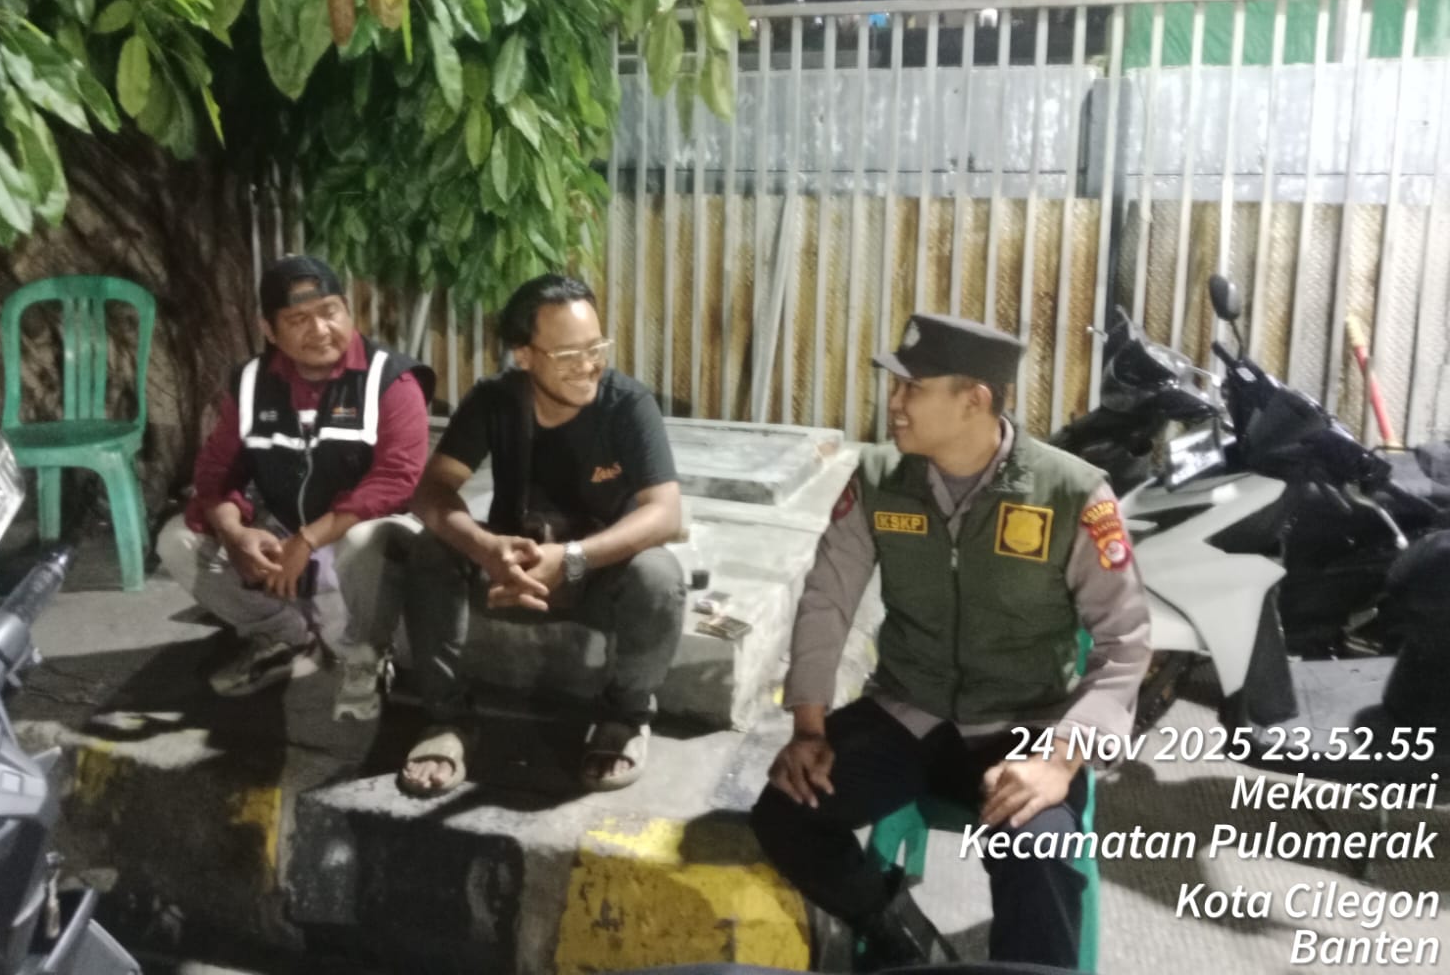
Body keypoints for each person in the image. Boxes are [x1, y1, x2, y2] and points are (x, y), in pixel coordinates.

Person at [751, 313, 1151, 971]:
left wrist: (1059, 761)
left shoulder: (1071, 493)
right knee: (784, 810)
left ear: (975, 400)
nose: (895, 403)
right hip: (906, 712)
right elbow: (826, 602)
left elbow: (1126, 642)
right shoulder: (878, 478)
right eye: (896, 386)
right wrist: (808, 728)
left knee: (1041, 854)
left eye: (913, 388)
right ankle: (899, 938)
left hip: (1024, 725)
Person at [397, 274, 685, 797]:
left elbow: (664, 513)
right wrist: (485, 548)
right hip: (513, 572)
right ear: (524, 356)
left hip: (596, 573)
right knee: (432, 546)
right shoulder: (494, 401)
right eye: (569, 354)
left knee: (659, 574)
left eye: (596, 348)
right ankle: (447, 718)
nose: (588, 366)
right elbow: (431, 491)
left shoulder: (626, 404)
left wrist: (572, 558)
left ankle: (624, 716)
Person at [156, 256, 433, 717]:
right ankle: (285, 637)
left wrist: (308, 540)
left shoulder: (391, 379)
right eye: (298, 319)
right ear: (269, 329)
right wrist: (235, 534)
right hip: (286, 537)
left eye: (330, 311)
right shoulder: (251, 382)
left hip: (364, 549)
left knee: (360, 610)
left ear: (347, 311)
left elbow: (397, 480)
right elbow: (216, 471)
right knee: (177, 540)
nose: (320, 330)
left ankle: (368, 654)